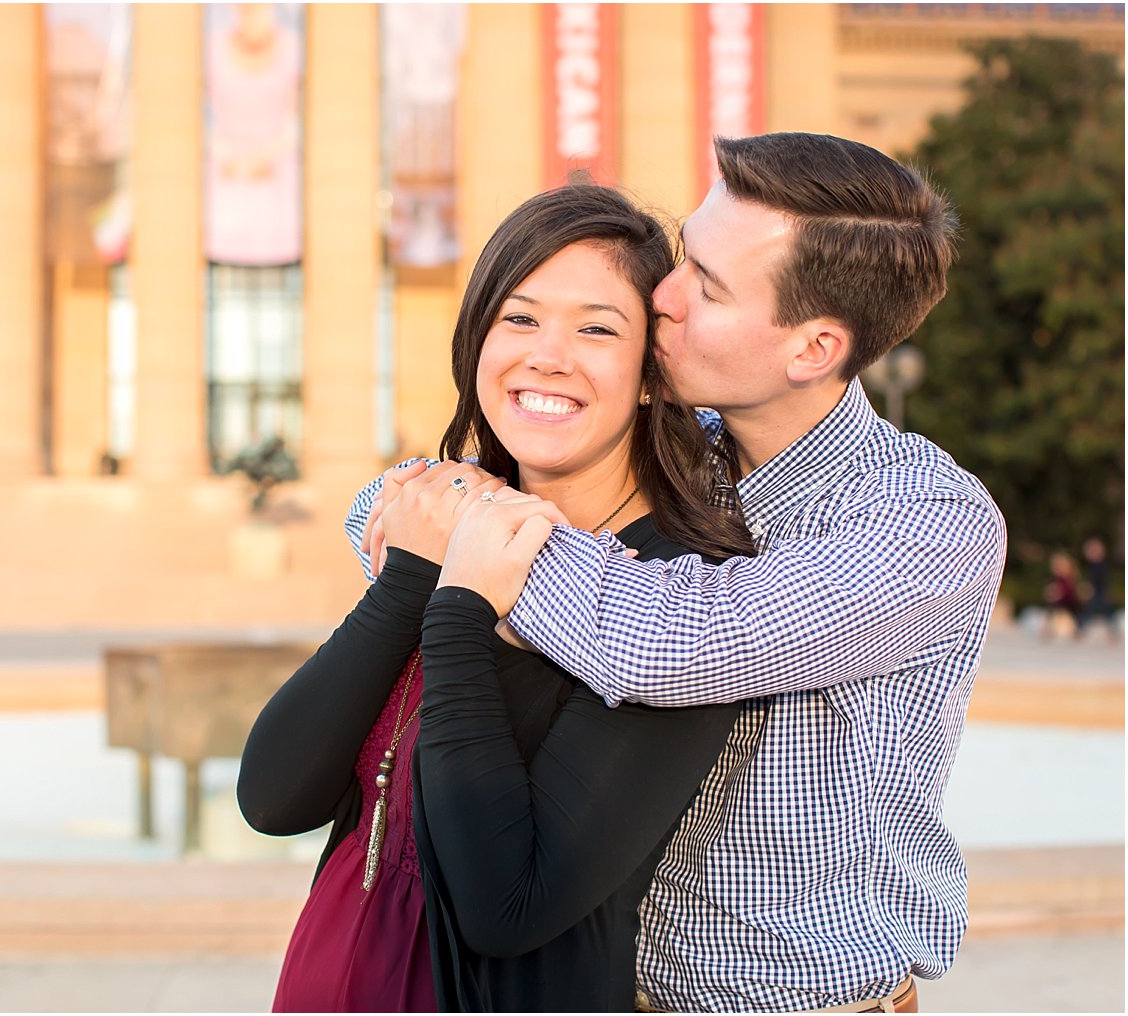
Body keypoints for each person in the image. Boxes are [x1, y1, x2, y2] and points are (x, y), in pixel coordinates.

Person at [349, 133, 1008, 1012]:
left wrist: (469, 556)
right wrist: (451, 520)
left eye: (707, 282)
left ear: (811, 349)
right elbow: (395, 499)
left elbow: (672, 642)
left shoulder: (924, 520)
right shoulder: (677, 451)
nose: (661, 293)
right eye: (685, 254)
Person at [238, 184, 758, 1012]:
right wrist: (413, 577)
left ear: (655, 375)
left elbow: (505, 906)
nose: (547, 355)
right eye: (519, 319)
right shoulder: (441, 520)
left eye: (596, 327)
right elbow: (272, 797)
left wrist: (461, 612)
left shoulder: (676, 599)